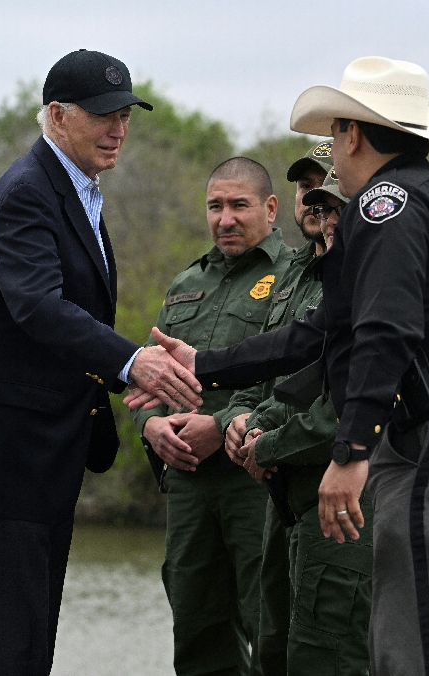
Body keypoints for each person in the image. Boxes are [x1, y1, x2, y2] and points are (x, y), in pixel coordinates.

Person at [129, 56, 429, 676]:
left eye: (332, 137)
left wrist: (350, 454)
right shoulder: (423, 195)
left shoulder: (386, 201)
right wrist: (206, 364)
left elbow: (385, 332)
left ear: (353, 134)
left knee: (411, 658)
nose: (330, 154)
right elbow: (322, 334)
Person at [0, 49, 203, 676]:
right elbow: (38, 308)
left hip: (46, 455)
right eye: (102, 115)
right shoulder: (25, 193)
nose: (118, 128)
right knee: (14, 651)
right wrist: (135, 361)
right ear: (56, 116)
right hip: (3, 456)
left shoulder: (75, 190)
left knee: (29, 649)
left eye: (125, 114)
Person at [132, 157, 295, 676]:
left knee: (269, 625)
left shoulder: (294, 277)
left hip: (257, 483)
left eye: (239, 205)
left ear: (270, 208)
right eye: (215, 206)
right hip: (188, 487)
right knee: (196, 626)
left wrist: (222, 424)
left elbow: (299, 377)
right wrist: (151, 425)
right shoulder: (185, 284)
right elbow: (151, 377)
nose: (225, 218)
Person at [226, 158, 371, 676]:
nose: (316, 207)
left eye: (329, 196)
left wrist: (265, 444)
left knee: (328, 652)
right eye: (308, 192)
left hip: (339, 488)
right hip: (281, 492)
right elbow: (276, 375)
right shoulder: (287, 276)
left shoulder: (369, 281)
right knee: (274, 649)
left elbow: (341, 405)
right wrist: (243, 423)